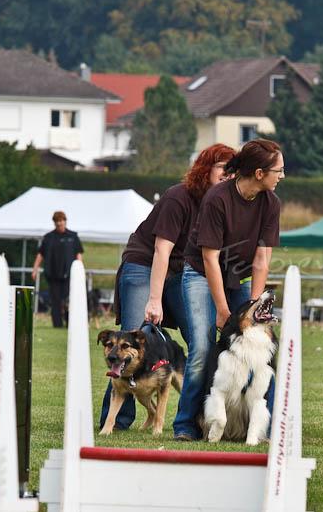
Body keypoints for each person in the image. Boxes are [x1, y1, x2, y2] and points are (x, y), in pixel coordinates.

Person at [97, 143, 236, 430]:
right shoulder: (179, 197)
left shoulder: (220, 203)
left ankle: (198, 417)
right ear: (205, 168)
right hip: (143, 265)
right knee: (132, 338)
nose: (228, 175)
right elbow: (161, 250)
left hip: (180, 272)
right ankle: (117, 422)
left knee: (202, 334)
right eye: (223, 167)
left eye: (232, 170)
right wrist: (154, 300)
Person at [173, 138, 285, 441]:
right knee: (203, 347)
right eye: (279, 170)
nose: (282, 176)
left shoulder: (271, 203)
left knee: (260, 351)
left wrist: (255, 308)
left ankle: (263, 428)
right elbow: (209, 257)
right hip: (200, 273)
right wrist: (223, 311)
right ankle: (185, 425)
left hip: (240, 276)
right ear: (259, 173)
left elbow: (261, 259)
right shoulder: (217, 198)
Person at [32, 211, 83, 328]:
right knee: (55, 301)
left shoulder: (73, 236)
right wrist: (35, 269)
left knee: (69, 300)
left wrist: (80, 270)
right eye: (57, 221)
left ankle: (70, 323)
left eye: (62, 221)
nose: (60, 223)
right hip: (53, 275)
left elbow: (78, 254)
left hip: (69, 275)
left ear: (65, 221)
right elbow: (40, 254)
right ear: (54, 223)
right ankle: (57, 324)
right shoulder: (48, 237)